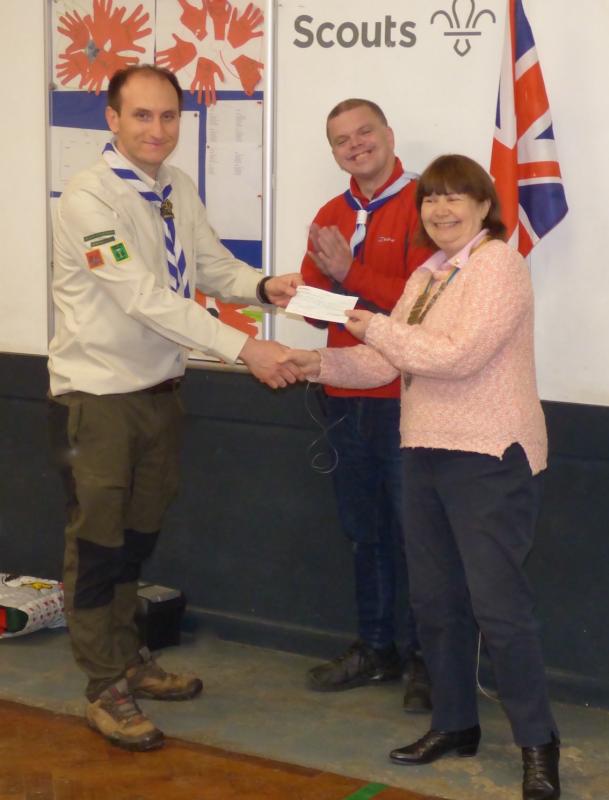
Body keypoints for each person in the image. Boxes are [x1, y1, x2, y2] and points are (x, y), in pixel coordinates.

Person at [283, 154, 560, 800]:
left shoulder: (498, 264)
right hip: (423, 452)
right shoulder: (428, 274)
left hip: (490, 457)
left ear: (483, 204)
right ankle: (454, 724)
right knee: (435, 604)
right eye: (430, 200)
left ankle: (537, 743)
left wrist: (372, 323)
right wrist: (308, 361)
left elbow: (455, 357)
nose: (438, 210)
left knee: (500, 611)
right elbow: (380, 363)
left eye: (453, 197)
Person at [47, 64, 302, 752]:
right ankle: (104, 685)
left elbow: (208, 266)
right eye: (141, 116)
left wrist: (263, 285)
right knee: (98, 546)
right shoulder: (88, 200)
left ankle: (127, 656)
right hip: (97, 399)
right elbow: (144, 298)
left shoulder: (174, 188)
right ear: (111, 118)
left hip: (160, 393)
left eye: (168, 117)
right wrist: (246, 349)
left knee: (137, 538)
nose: (157, 130)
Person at [299, 98, 432, 711]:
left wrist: (349, 274)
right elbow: (308, 300)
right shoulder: (331, 213)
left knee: (420, 537)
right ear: (334, 153)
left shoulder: (427, 205)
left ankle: (430, 661)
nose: (355, 146)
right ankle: (377, 648)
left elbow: (419, 309)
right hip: (345, 396)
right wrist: (325, 283)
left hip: (410, 400)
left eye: (364, 133)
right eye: (341, 141)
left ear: (388, 134)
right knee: (364, 533)